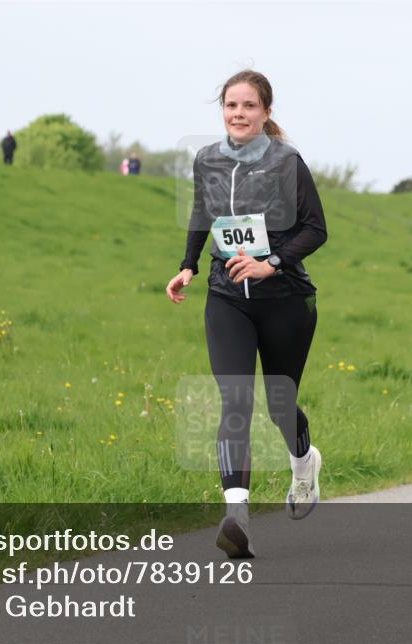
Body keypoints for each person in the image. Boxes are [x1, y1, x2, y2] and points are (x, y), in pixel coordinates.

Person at [165, 70, 328, 558]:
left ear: (266, 113)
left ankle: (303, 464)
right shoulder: (208, 159)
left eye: (249, 106)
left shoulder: (287, 163)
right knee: (235, 399)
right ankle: (236, 515)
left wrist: (270, 264)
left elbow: (316, 230)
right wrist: (188, 265)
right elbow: (202, 214)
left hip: (285, 299)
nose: (239, 114)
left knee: (280, 404)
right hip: (227, 296)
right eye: (231, 106)